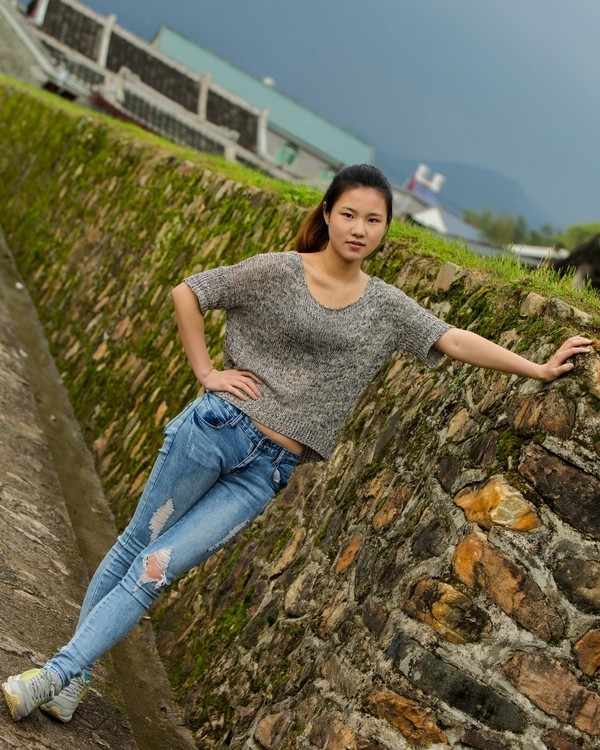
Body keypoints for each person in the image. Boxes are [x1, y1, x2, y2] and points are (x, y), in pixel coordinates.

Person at [2, 164, 592, 723]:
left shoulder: (386, 307)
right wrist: (206, 371)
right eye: (349, 214)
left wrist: (538, 369)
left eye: (374, 220)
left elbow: (454, 339)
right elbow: (190, 291)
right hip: (216, 430)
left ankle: (59, 677)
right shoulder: (280, 270)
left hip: (267, 471)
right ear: (328, 214)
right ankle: (63, 679)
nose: (359, 229)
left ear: (386, 228)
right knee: (138, 544)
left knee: (155, 568)